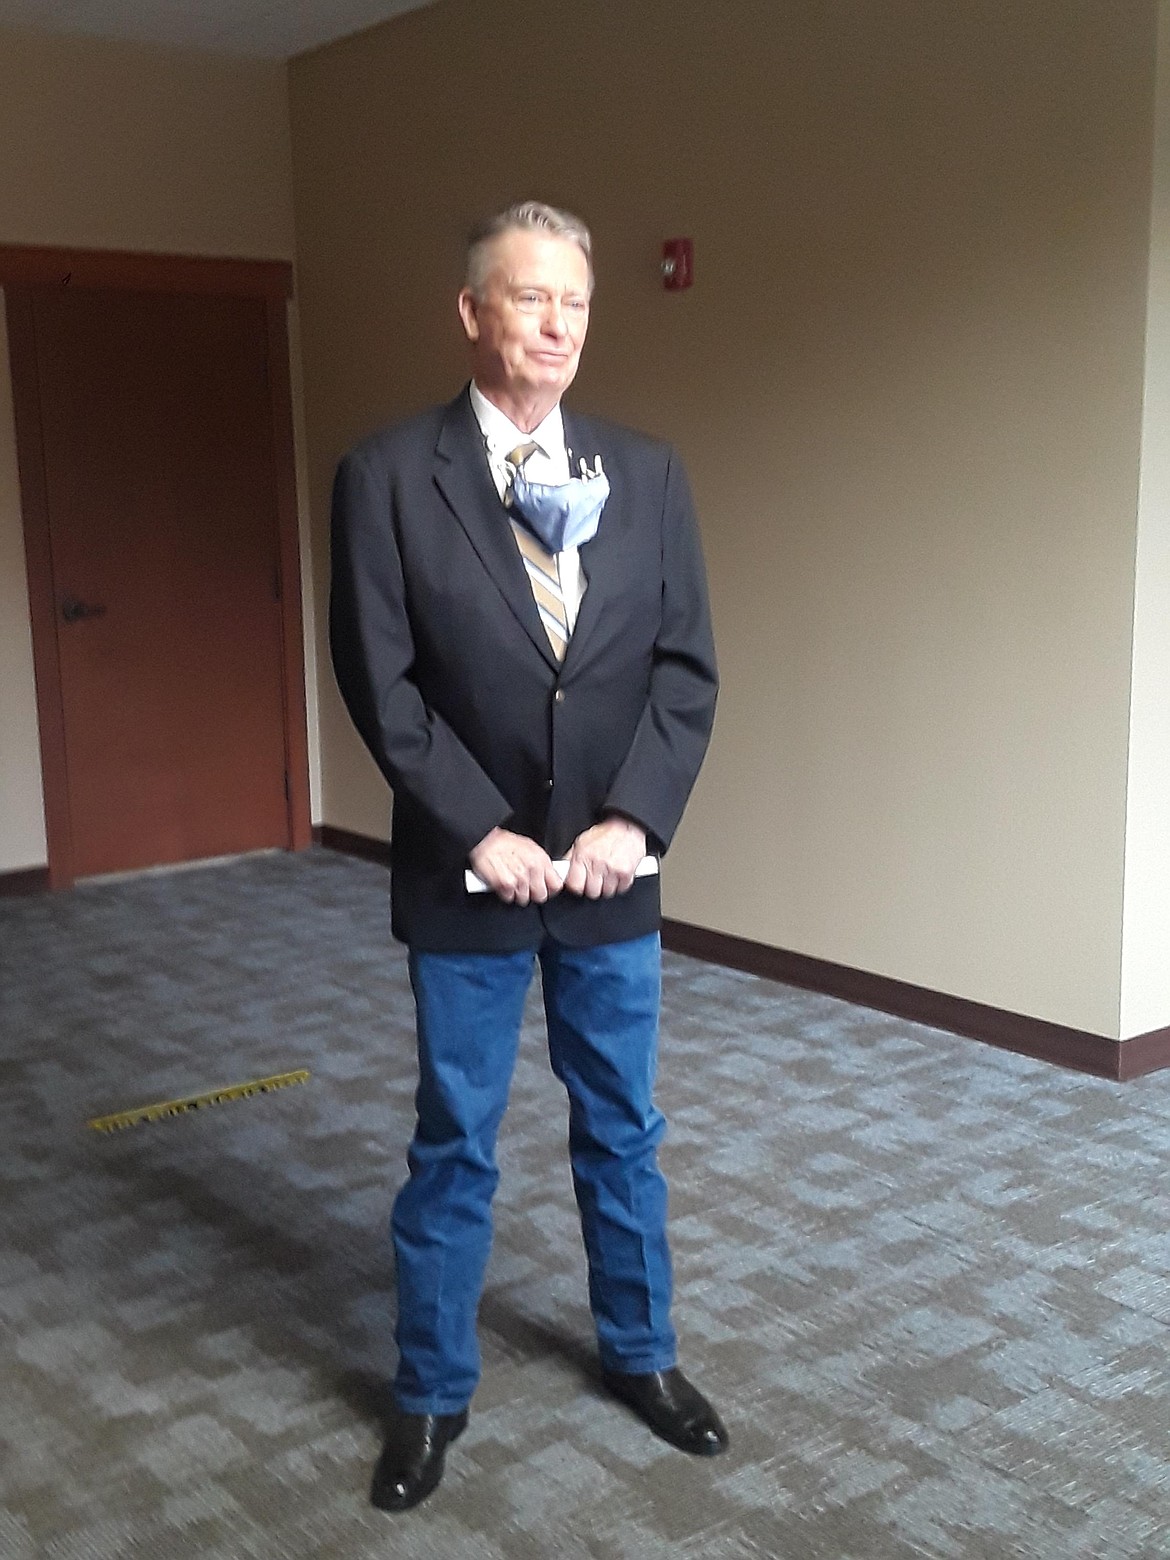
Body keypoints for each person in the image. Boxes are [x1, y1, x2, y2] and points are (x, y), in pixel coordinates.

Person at [330, 200, 722, 1514]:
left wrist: (635, 822)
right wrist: (477, 832)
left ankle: (643, 1356)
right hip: (468, 879)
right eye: (528, 298)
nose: (556, 325)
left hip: (613, 879)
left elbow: (681, 670)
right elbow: (380, 684)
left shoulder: (648, 471)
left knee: (623, 1130)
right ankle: (429, 1395)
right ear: (471, 314)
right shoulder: (387, 476)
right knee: (456, 1144)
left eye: (575, 303)